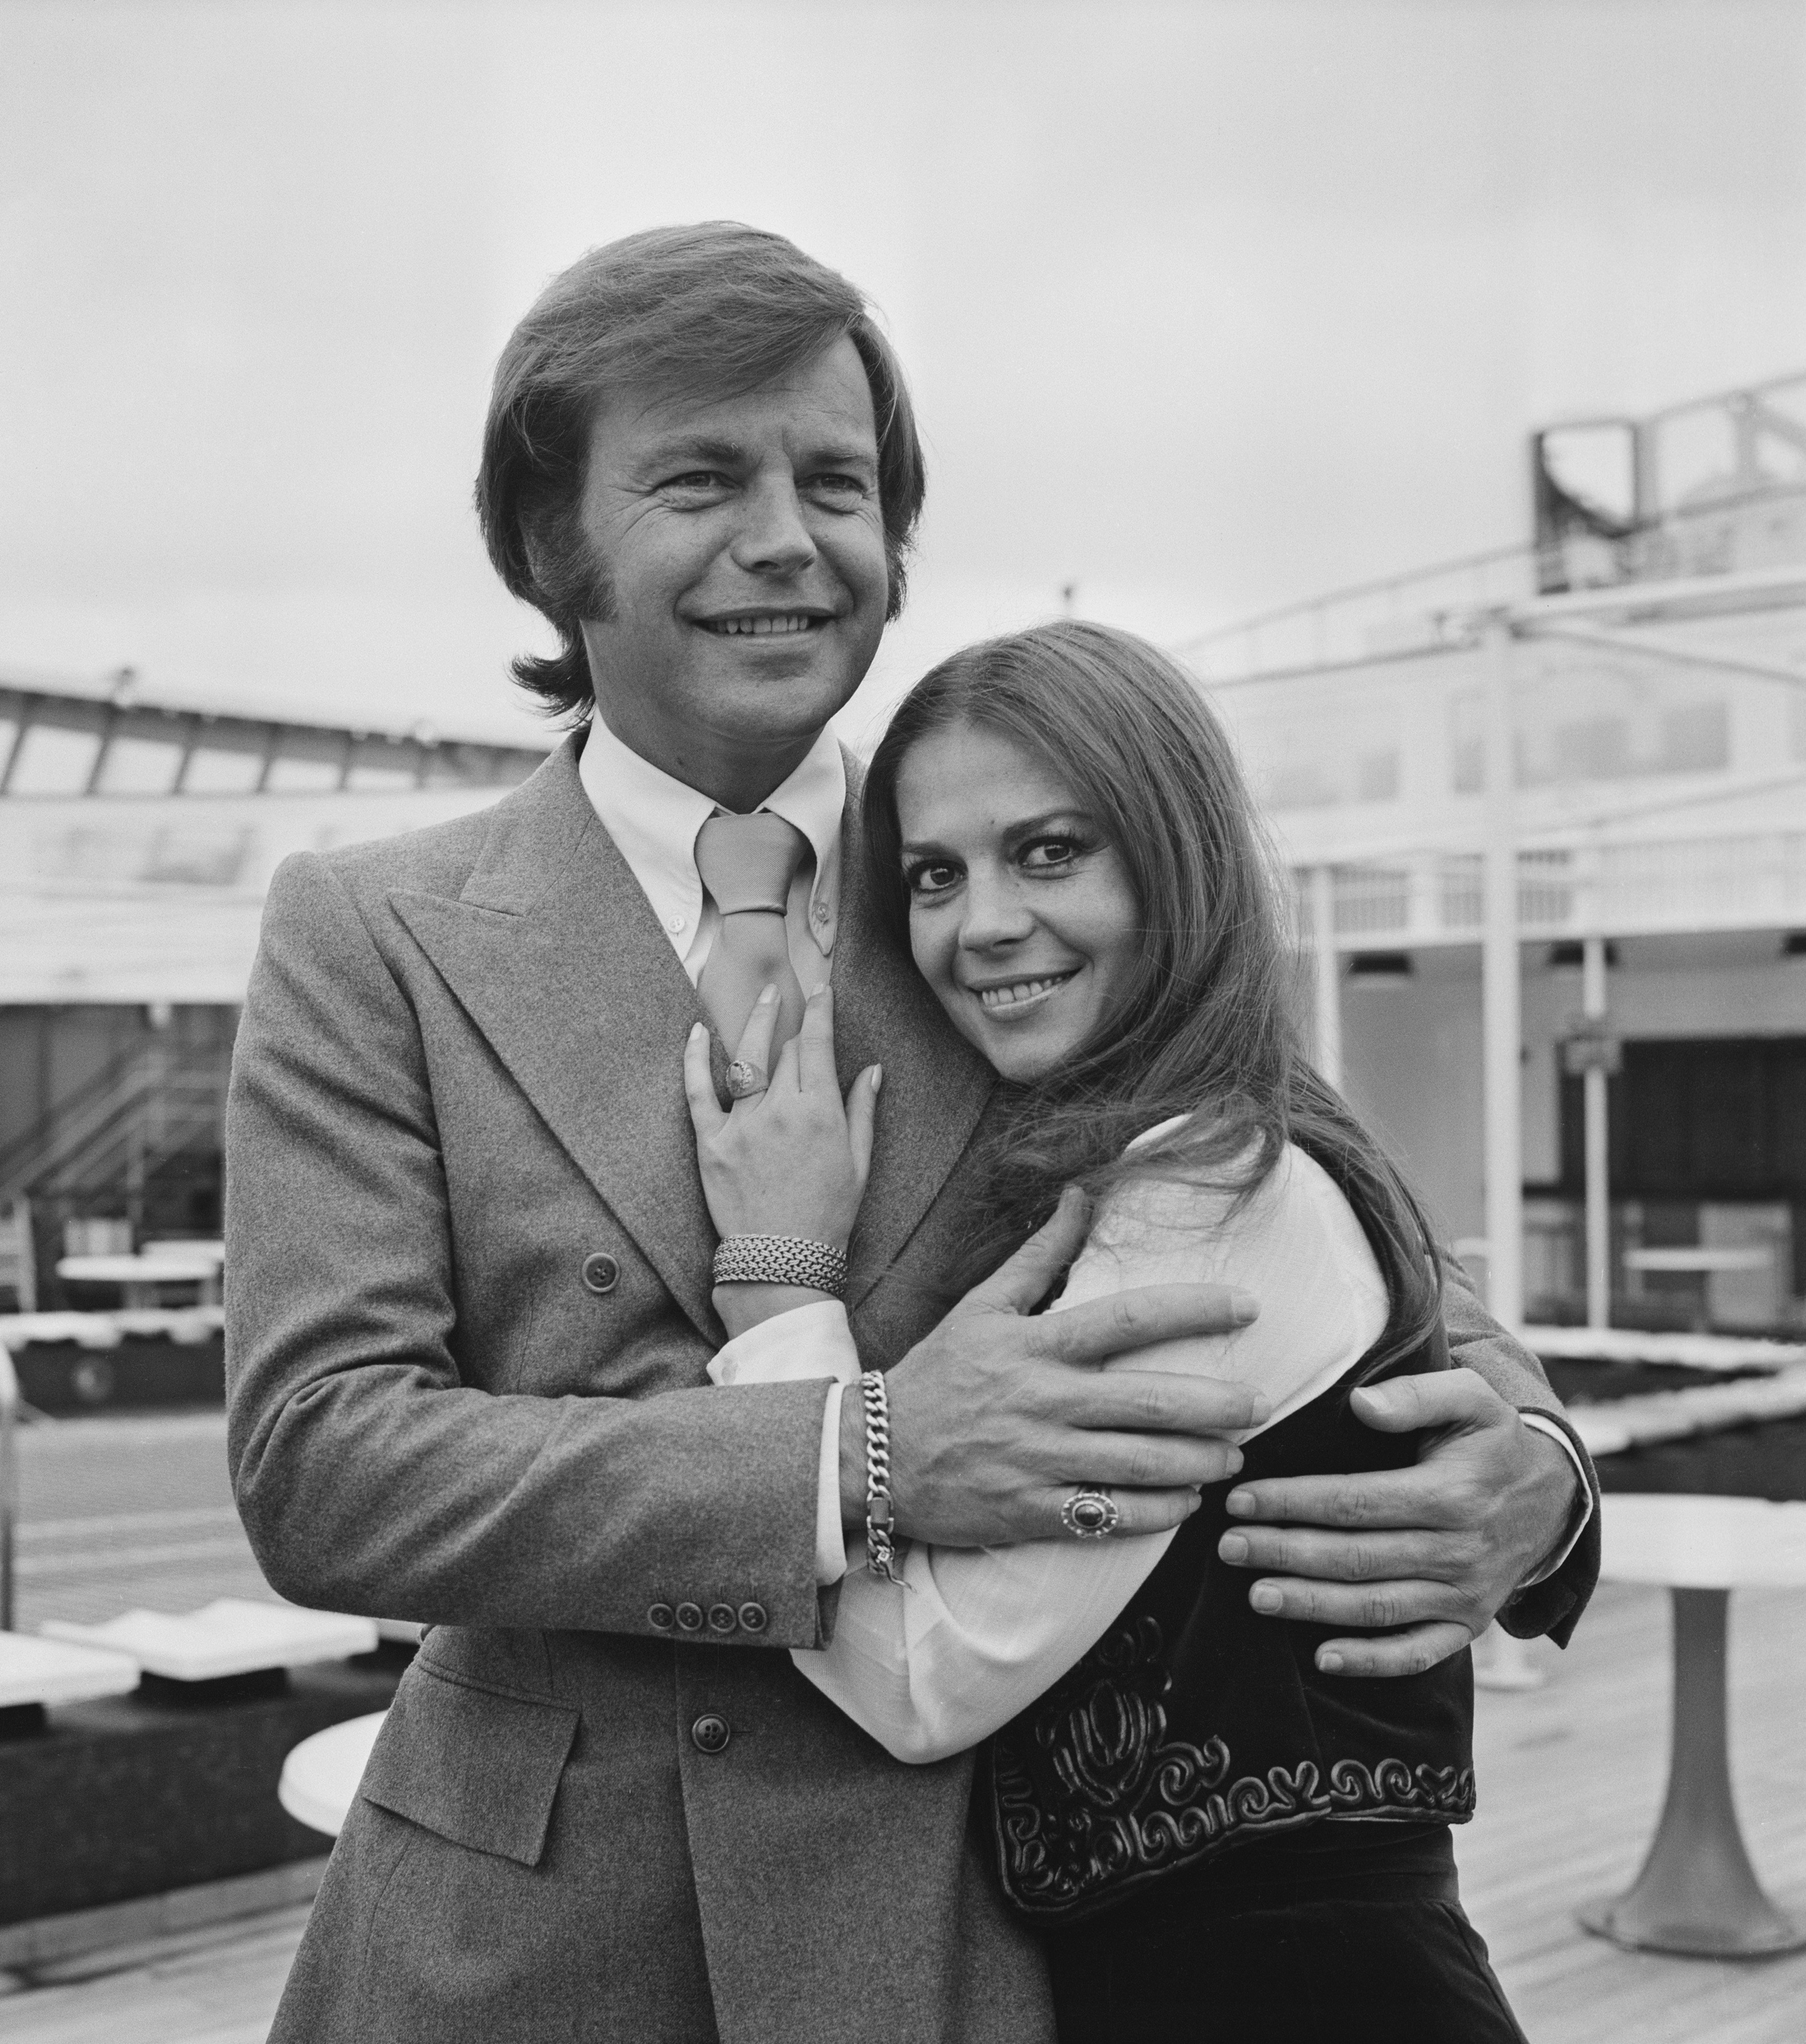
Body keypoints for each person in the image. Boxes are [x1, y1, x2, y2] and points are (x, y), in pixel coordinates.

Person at [224, 222, 1596, 2043]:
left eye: (837, 481)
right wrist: (857, 1458)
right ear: (553, 546)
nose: (786, 536)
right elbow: (324, 1461)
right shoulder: (370, 930)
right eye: (700, 479)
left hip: (956, 1943)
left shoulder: (1015, 893)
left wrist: (1538, 1475)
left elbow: (1313, 1202)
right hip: (521, 1949)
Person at [689, 620, 1553, 2042]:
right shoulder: (1193, 1148)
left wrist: (780, 1298)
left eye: (1048, 852)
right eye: (933, 875)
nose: (980, 926)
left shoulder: (1202, 1197)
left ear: (1175, 857)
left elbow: (924, 1680)